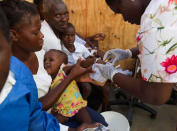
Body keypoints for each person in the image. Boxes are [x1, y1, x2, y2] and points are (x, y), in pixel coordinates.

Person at [0, 0, 108, 129]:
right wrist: (71, 77)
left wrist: (80, 69)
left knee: (101, 121)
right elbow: (34, 110)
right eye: (36, 33)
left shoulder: (39, 54)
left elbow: (54, 73)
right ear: (13, 35)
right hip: (51, 117)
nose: (42, 35)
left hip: (56, 110)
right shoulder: (12, 74)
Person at [95, 0, 177, 130]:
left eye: (120, 11)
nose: (124, 19)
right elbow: (174, 45)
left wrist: (111, 73)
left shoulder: (156, 25)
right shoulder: (167, 6)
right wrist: (128, 53)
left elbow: (155, 95)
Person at [60, 23, 110, 111]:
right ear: (61, 36)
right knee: (87, 88)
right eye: (66, 36)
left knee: (105, 88)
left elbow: (88, 56)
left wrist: (95, 61)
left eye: (72, 35)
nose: (70, 38)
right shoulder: (61, 51)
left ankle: (105, 111)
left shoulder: (79, 46)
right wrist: (93, 61)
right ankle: (81, 108)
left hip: (87, 70)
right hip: (75, 75)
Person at [44, 49, 92, 125]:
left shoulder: (63, 71)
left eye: (51, 60)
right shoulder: (46, 79)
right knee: (52, 125)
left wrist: (93, 59)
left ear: (61, 64)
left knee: (89, 124)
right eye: (44, 60)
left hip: (77, 106)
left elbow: (80, 65)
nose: (46, 62)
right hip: (61, 111)